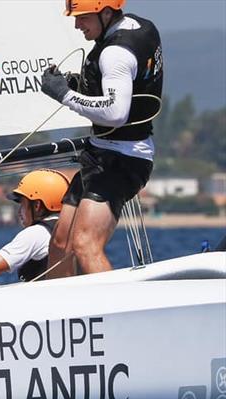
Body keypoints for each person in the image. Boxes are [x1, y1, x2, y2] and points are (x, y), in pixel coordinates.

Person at [41, 0, 162, 277]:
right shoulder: (138, 26)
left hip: (123, 160)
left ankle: (120, 313)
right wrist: (79, 83)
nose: (76, 24)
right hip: (99, 154)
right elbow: (130, 85)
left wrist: (65, 95)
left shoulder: (115, 53)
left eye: (82, 17)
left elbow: (115, 112)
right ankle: (58, 310)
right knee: (61, 243)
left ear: (106, 12)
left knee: (85, 244)